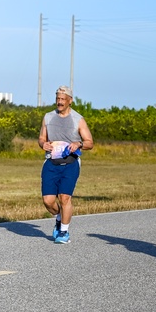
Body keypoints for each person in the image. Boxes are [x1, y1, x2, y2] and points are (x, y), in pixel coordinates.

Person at [39, 85, 94, 245]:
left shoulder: (78, 119)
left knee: (64, 197)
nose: (60, 102)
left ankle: (63, 231)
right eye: (57, 99)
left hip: (70, 163)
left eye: (63, 99)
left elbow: (90, 143)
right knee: (48, 201)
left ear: (70, 101)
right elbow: (42, 138)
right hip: (51, 162)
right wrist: (43, 144)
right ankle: (59, 217)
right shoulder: (48, 117)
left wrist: (79, 144)